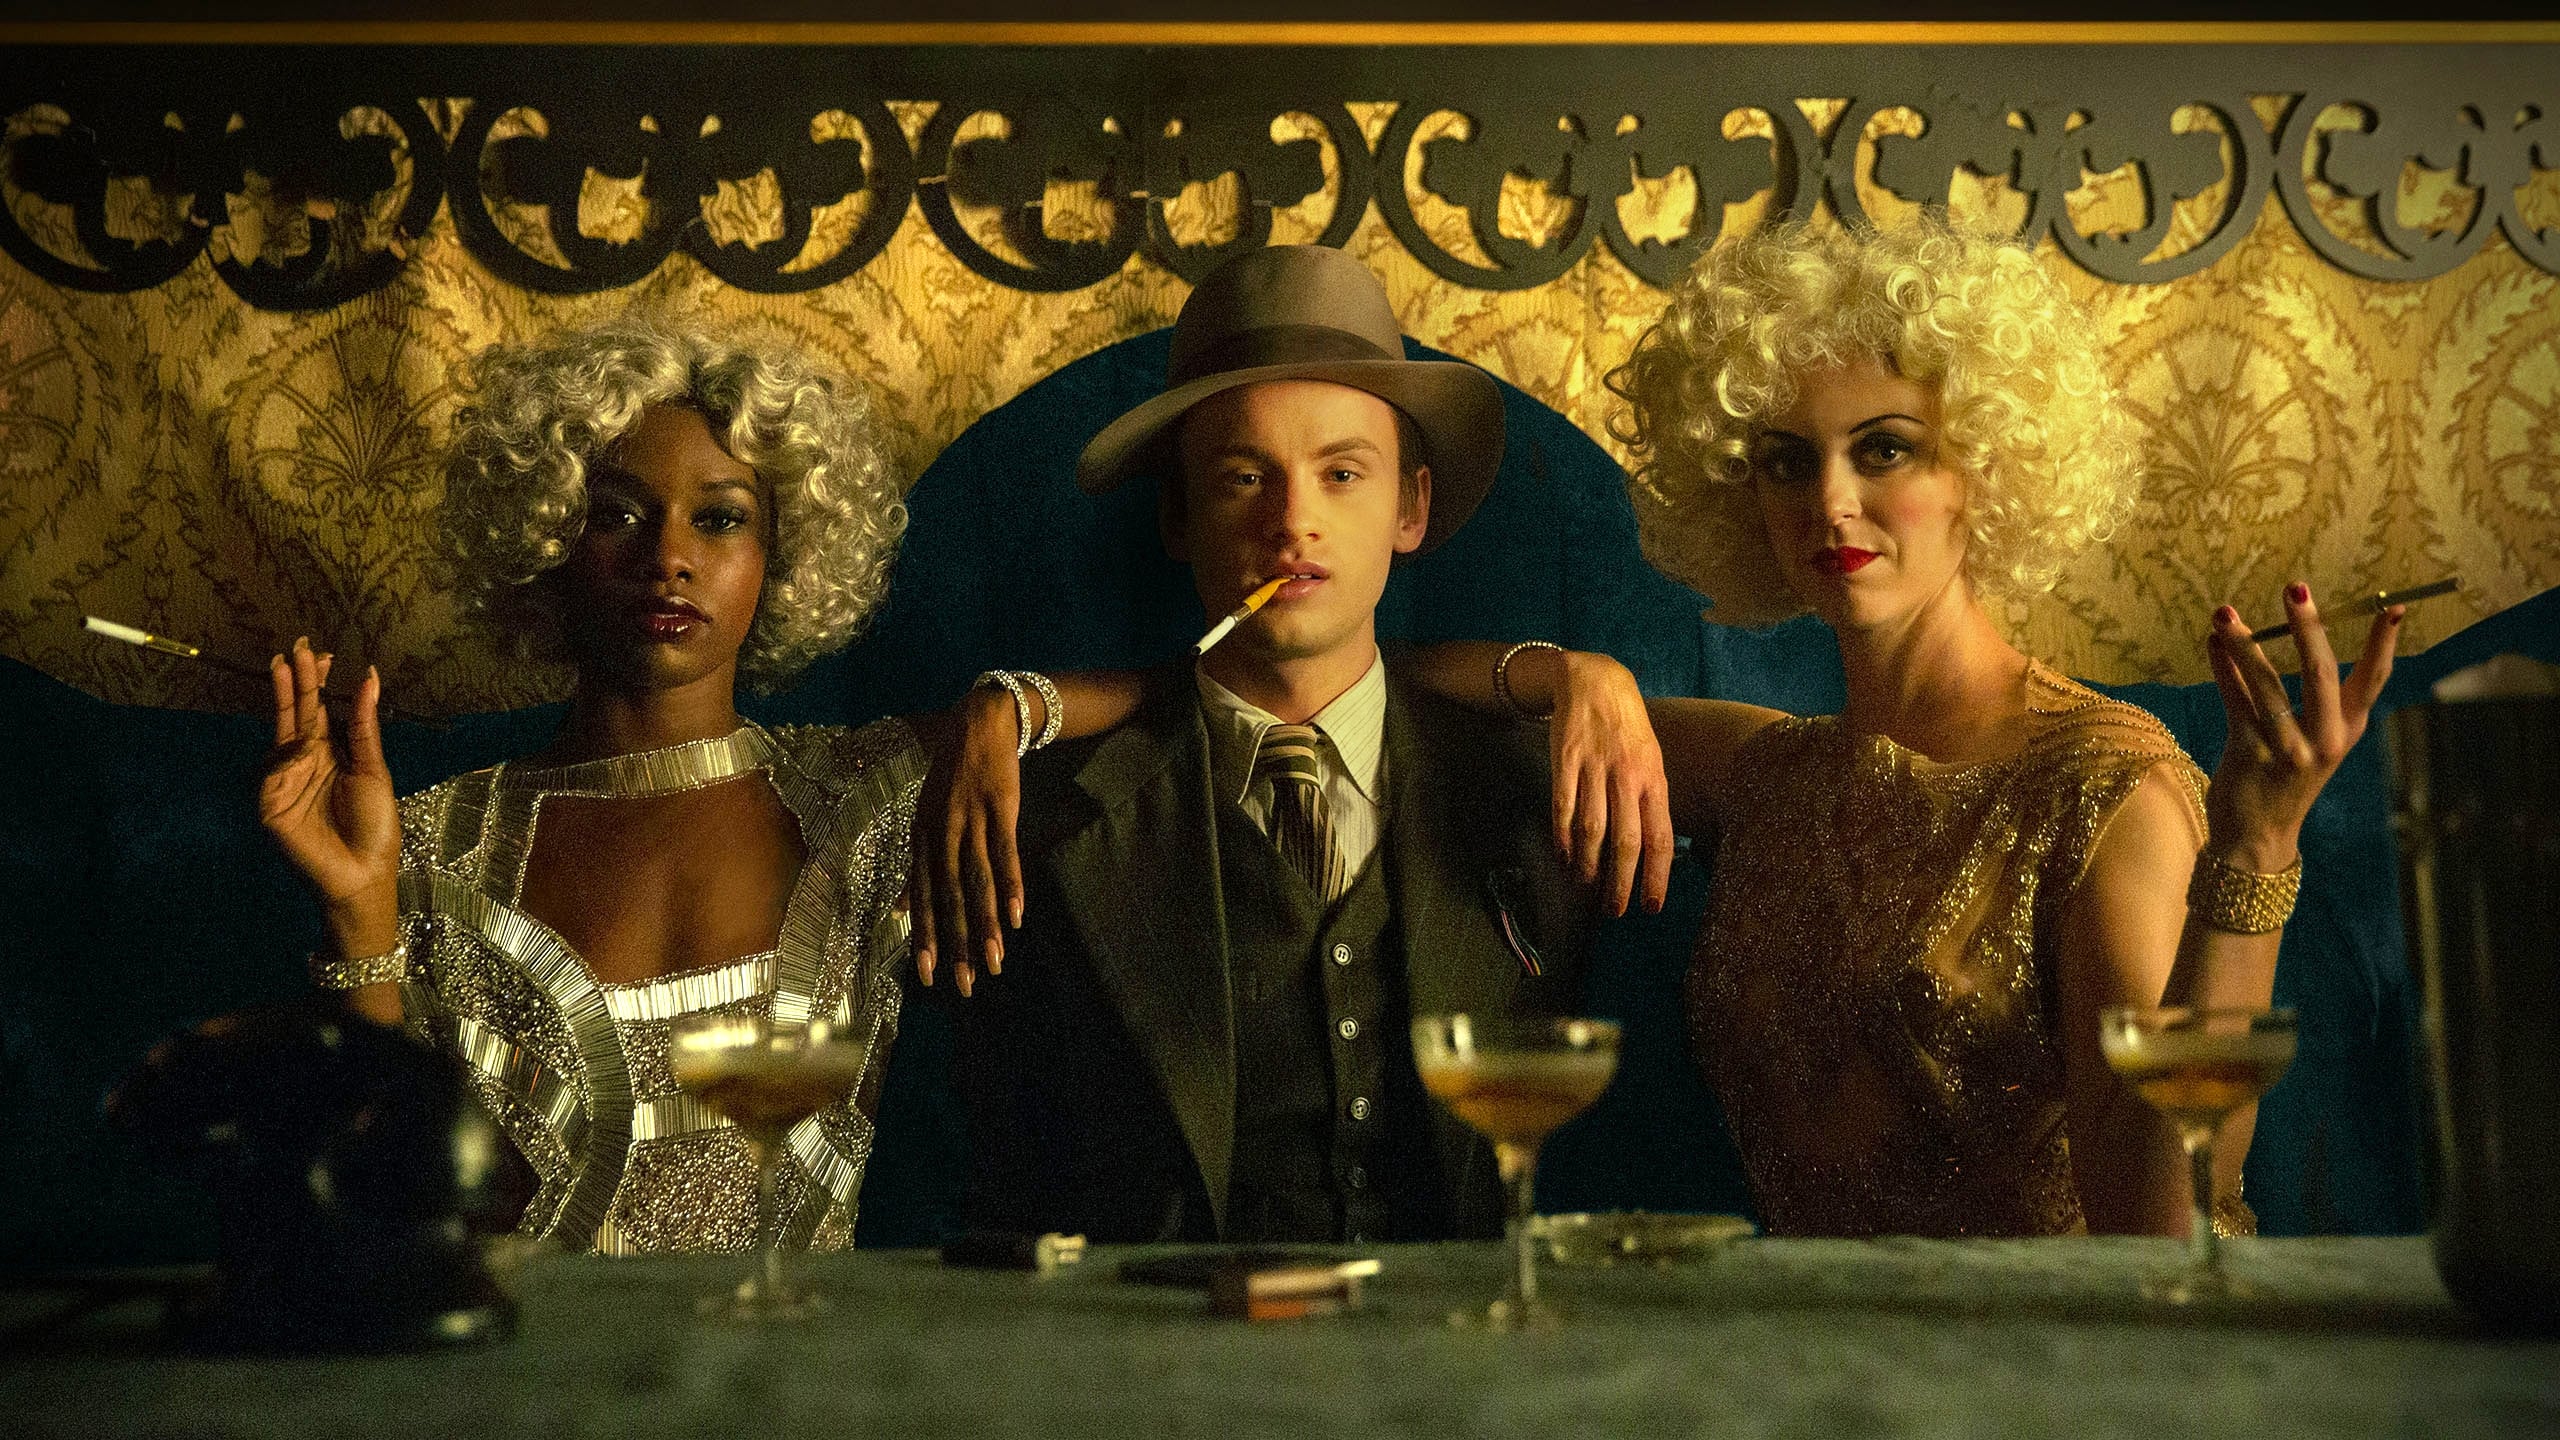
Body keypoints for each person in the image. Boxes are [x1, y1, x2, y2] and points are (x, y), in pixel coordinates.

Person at [1405, 217, 2399, 1237]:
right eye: (1786, 462)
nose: (1830, 502)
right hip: (1800, 1325)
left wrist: (2254, 850)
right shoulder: (1769, 773)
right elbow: (1396, 689)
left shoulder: (2103, 788)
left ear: (1984, 466)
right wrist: (1576, 675)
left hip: (2060, 1331)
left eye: (1884, 450)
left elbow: (2158, 1227)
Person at [916, 245, 1589, 1245]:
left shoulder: (1537, 787)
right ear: (1180, 517)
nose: (1292, 522)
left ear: (1409, 508)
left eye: (1342, 474)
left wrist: (1588, 675)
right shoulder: (1041, 816)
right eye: (1242, 477)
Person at [258, 312, 927, 1256]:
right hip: (524, 1352)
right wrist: (359, 913)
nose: (667, 558)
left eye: (720, 518)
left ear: (782, 554)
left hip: (802, 1348)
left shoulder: (863, 800)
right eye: (616, 514)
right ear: (547, 542)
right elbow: (388, 1206)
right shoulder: (427, 844)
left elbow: (1150, 708)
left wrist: (1012, 706)